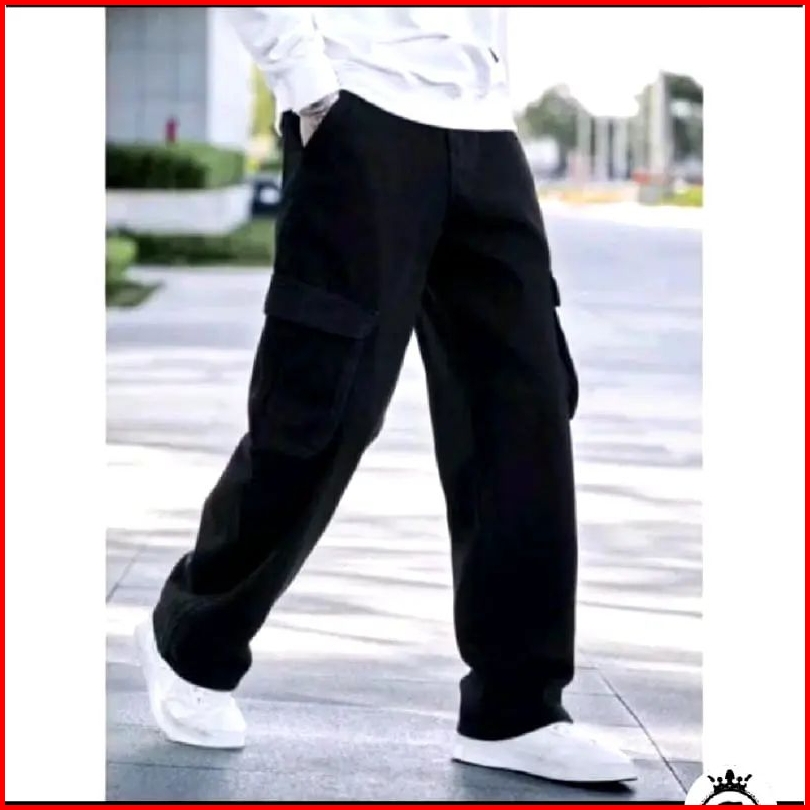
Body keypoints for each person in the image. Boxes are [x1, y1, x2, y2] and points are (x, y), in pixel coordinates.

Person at [135, 7, 637, 785]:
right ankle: (191, 639)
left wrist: (492, 82)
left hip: (482, 125)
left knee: (525, 410)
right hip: (358, 106)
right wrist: (305, 79)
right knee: (326, 405)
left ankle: (516, 710)